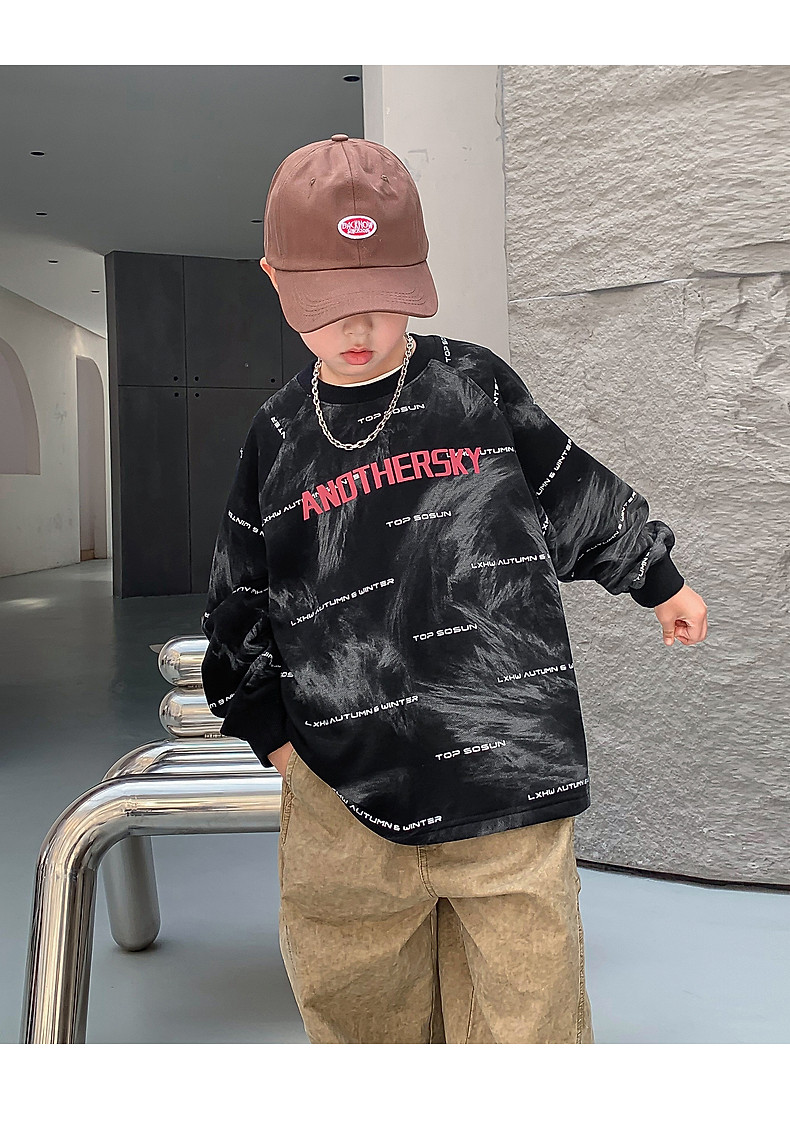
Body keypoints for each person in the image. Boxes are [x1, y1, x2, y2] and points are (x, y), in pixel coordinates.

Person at [200, 134, 708, 1044]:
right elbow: (240, 595)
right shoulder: (277, 437)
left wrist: (657, 577)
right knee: (359, 1002)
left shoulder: (472, 386)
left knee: (529, 1008)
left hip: (504, 762)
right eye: (329, 308)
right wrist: (272, 734)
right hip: (343, 781)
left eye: (384, 301)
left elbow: (568, 487)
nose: (360, 330)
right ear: (275, 282)